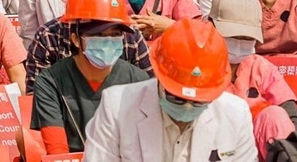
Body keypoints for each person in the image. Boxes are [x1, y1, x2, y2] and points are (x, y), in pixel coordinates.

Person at [83, 18, 257, 161]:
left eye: (198, 101)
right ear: (159, 78)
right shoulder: (116, 107)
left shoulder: (236, 115)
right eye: (177, 98)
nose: (188, 106)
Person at [31, 0, 150, 154]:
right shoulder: (50, 82)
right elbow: (56, 150)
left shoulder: (138, 81)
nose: (108, 42)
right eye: (99, 35)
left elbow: (146, 144)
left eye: (115, 35)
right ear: (76, 39)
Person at [209, 0, 297, 160]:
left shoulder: (260, 67)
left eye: (247, 38)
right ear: (212, 27)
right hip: (212, 145)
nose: (240, 43)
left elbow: (291, 114)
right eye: (232, 36)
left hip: (258, 150)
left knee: (275, 115)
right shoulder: (196, 64)